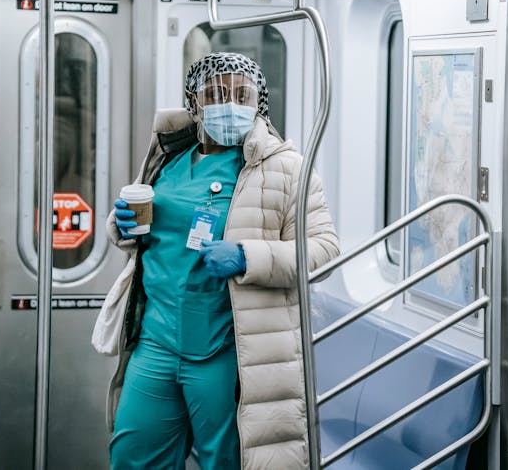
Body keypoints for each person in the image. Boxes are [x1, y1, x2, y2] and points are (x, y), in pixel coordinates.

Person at [106, 52, 339, 469]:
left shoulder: (286, 168)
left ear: (258, 104)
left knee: (227, 460)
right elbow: (146, 232)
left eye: (241, 94)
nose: (229, 104)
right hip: (156, 340)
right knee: (132, 455)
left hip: (227, 348)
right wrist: (120, 226)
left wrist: (247, 256)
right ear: (194, 103)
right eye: (215, 93)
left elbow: (323, 252)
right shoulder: (168, 158)